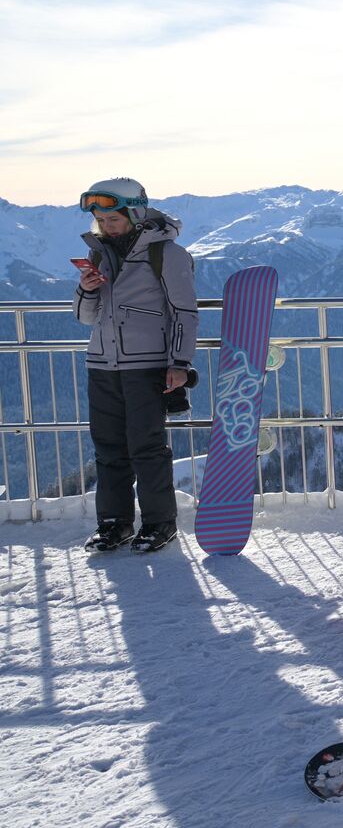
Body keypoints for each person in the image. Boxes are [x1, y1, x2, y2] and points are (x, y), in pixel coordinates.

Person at [74, 178, 198, 554]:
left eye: (113, 219)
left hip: (146, 366)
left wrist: (179, 363)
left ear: (135, 212)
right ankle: (114, 524)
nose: (106, 226)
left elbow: (184, 313)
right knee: (108, 448)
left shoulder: (167, 254)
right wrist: (88, 288)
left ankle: (160, 523)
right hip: (102, 364)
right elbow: (85, 318)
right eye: (101, 220)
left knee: (147, 447)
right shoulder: (99, 255)